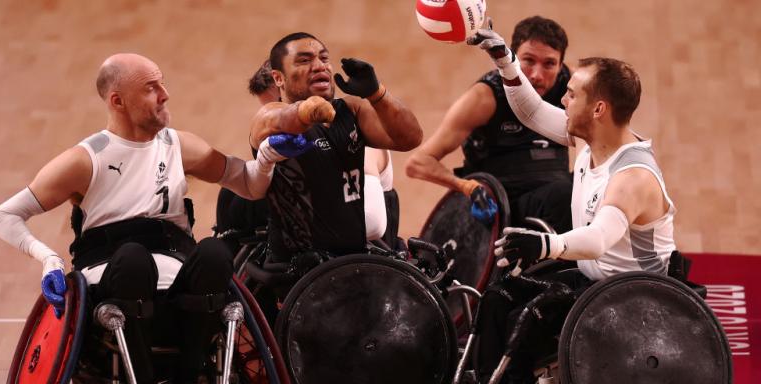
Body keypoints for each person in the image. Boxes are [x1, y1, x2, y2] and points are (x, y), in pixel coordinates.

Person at [0, 53, 313, 384]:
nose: (165, 94)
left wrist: (267, 157)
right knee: (134, 258)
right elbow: (3, 217)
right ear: (117, 101)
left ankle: (187, 383)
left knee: (217, 252)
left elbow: (250, 185)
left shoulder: (178, 145)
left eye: (162, 84)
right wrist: (48, 259)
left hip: (177, 282)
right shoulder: (85, 159)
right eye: (151, 88)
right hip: (114, 276)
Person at [466, 27, 676, 384]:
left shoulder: (633, 176)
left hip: (632, 297)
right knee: (500, 297)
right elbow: (530, 110)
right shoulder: (592, 141)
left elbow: (598, 239)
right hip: (592, 284)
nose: (563, 99)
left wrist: (545, 245)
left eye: (571, 94)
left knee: (527, 318)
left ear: (598, 109)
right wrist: (503, 57)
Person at [250, 33, 422, 263]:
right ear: (278, 78)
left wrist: (377, 94)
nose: (319, 66)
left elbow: (411, 138)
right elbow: (286, 117)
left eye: (323, 58)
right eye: (304, 60)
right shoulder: (268, 115)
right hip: (295, 271)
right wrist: (312, 107)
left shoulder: (351, 111)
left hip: (351, 263)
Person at [405, 16, 574, 233]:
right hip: (503, 207)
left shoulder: (573, 88)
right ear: (512, 57)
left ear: (561, 65)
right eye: (529, 60)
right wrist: (467, 187)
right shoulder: (484, 97)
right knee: (565, 195)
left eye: (549, 64)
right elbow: (418, 163)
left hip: (556, 195)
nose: (537, 75)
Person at [216, 60, 400, 249]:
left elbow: (372, 223)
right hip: (311, 259)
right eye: (268, 113)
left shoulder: (355, 134)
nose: (273, 120)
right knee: (234, 196)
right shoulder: (283, 144)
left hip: (364, 261)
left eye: (281, 108)